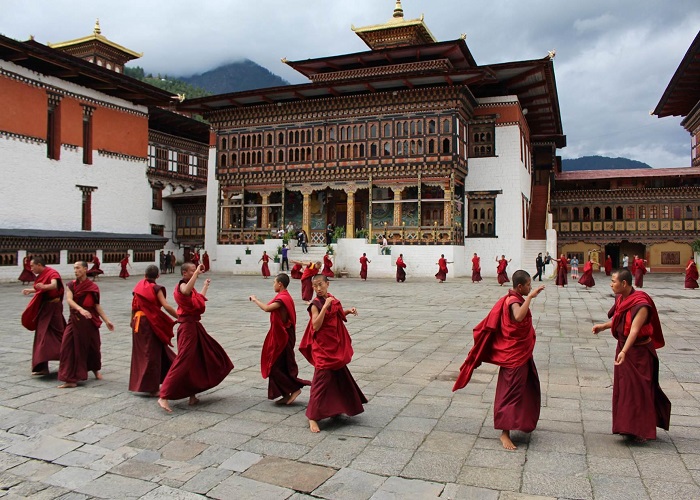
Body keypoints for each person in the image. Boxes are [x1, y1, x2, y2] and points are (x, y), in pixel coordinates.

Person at [453, 270, 545, 450]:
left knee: (525, 388)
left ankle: (521, 421)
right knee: (511, 392)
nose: (530, 287)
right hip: (514, 355)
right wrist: (530, 298)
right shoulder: (513, 301)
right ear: (520, 286)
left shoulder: (513, 298)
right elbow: (518, 317)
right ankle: (505, 433)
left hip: (520, 352)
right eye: (528, 285)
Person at [592, 269, 671, 442]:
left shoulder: (641, 304)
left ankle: (641, 429)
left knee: (639, 390)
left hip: (639, 353)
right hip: (624, 348)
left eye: (613, 281)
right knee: (625, 388)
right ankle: (626, 427)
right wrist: (603, 326)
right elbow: (619, 319)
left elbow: (634, 330)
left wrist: (624, 352)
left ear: (624, 283)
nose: (611, 284)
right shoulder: (621, 298)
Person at [158, 263, 234, 412]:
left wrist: (205, 286)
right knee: (183, 360)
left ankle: (192, 395)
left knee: (197, 359)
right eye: (192, 271)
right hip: (187, 328)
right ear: (184, 273)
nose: (195, 272)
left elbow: (198, 300)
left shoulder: (191, 289)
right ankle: (164, 396)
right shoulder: (181, 286)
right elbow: (185, 291)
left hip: (194, 326)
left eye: (195, 270)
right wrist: (197, 273)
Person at [299, 275, 367, 432]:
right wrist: (324, 307)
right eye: (315, 286)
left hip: (334, 344)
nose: (318, 288)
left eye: (320, 284)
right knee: (320, 380)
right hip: (322, 347)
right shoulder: (315, 304)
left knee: (339, 376)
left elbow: (336, 314)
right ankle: (312, 416)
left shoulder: (331, 299)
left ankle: (339, 406)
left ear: (327, 284)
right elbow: (316, 325)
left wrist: (348, 311)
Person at [250, 273, 311, 405]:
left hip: (283, 337)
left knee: (274, 367)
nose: (273, 285)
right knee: (281, 365)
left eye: (274, 282)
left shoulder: (283, 298)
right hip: (280, 335)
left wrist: (255, 299)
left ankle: (294, 389)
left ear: (280, 284)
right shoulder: (283, 296)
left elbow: (267, 308)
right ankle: (286, 393)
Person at [58, 261, 114, 388]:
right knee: (67, 347)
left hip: (89, 321)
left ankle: (95, 370)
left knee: (93, 347)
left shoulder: (93, 287)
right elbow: (69, 300)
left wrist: (107, 321)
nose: (75, 270)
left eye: (78, 268)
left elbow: (96, 305)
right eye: (74, 268)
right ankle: (70, 379)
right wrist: (81, 309)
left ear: (85, 269)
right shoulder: (71, 285)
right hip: (75, 319)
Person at [129, 265, 177, 396]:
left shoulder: (138, 288)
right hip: (150, 323)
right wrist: (179, 316)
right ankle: (152, 388)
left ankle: (168, 378)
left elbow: (133, 307)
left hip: (138, 322)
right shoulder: (156, 288)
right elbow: (166, 306)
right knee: (151, 354)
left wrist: (131, 321)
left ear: (145, 275)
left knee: (144, 353)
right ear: (158, 276)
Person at [21, 256, 65, 376]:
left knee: (59, 334)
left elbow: (54, 285)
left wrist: (44, 287)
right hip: (45, 309)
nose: (31, 269)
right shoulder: (41, 275)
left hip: (54, 309)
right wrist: (31, 290)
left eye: (32, 266)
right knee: (41, 336)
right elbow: (41, 289)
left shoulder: (52, 273)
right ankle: (42, 367)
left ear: (39, 265)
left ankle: (68, 362)